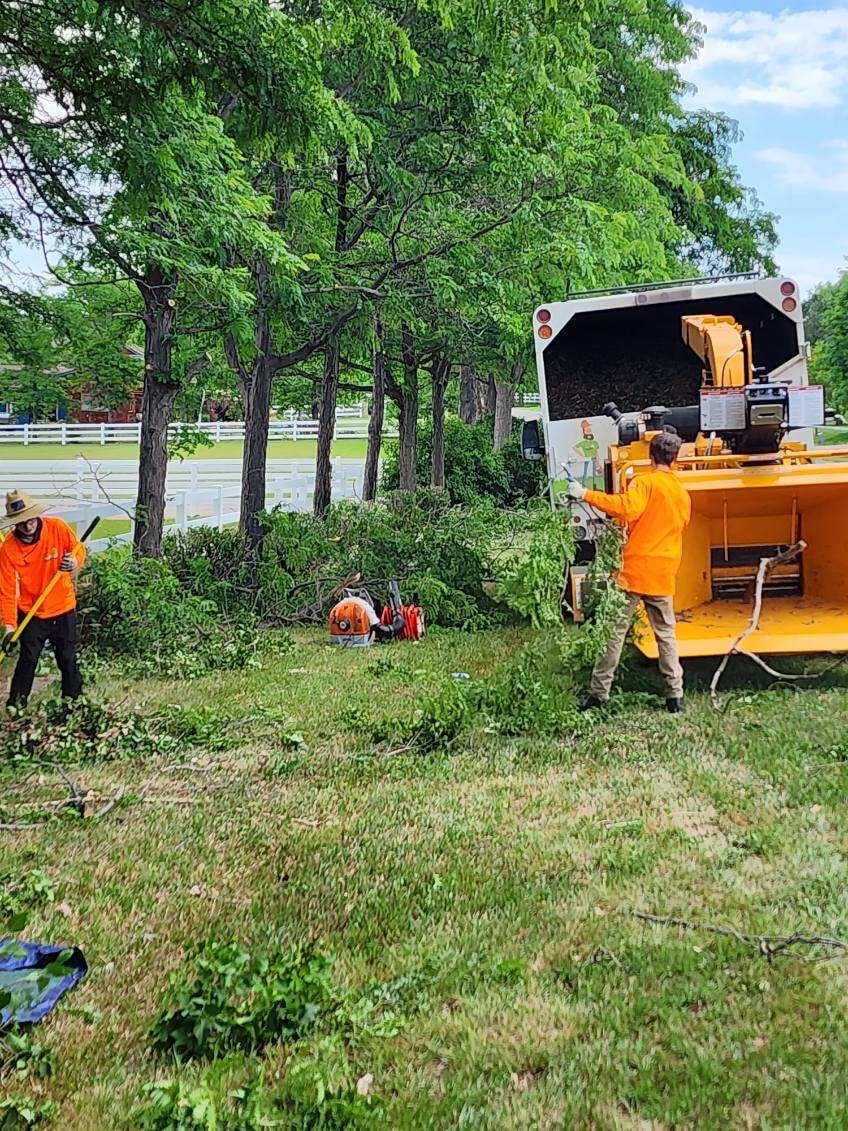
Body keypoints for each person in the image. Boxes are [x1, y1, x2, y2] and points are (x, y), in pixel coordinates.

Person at [566, 430, 691, 713]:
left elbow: (626, 509)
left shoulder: (644, 483)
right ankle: (675, 697)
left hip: (634, 572)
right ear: (675, 458)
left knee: (614, 632)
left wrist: (584, 493)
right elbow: (679, 525)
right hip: (664, 572)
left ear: (651, 455)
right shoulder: (682, 493)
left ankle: (598, 694)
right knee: (666, 635)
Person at [0, 490, 86, 709]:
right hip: (31, 613)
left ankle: (73, 704)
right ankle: (16, 706)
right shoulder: (8, 549)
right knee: (28, 660)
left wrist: (74, 563)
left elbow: (78, 550)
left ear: (36, 515)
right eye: (21, 523)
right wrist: (9, 627)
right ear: (14, 523)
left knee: (67, 658)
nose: (28, 526)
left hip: (63, 607)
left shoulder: (57, 528)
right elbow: (7, 591)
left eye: (30, 519)